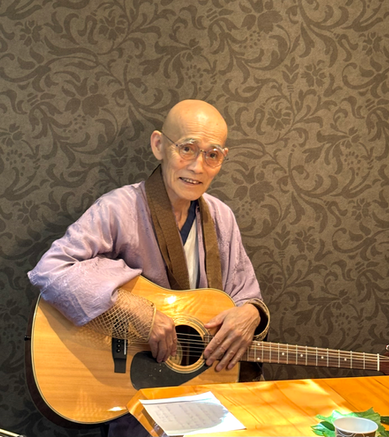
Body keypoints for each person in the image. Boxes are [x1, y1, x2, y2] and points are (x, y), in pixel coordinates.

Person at [28, 99, 270, 436]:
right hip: (134, 388)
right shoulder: (119, 208)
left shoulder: (222, 217)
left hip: (200, 385)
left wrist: (250, 314)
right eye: (187, 148)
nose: (198, 167)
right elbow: (52, 270)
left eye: (212, 155)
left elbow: (244, 294)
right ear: (159, 145)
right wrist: (134, 310)